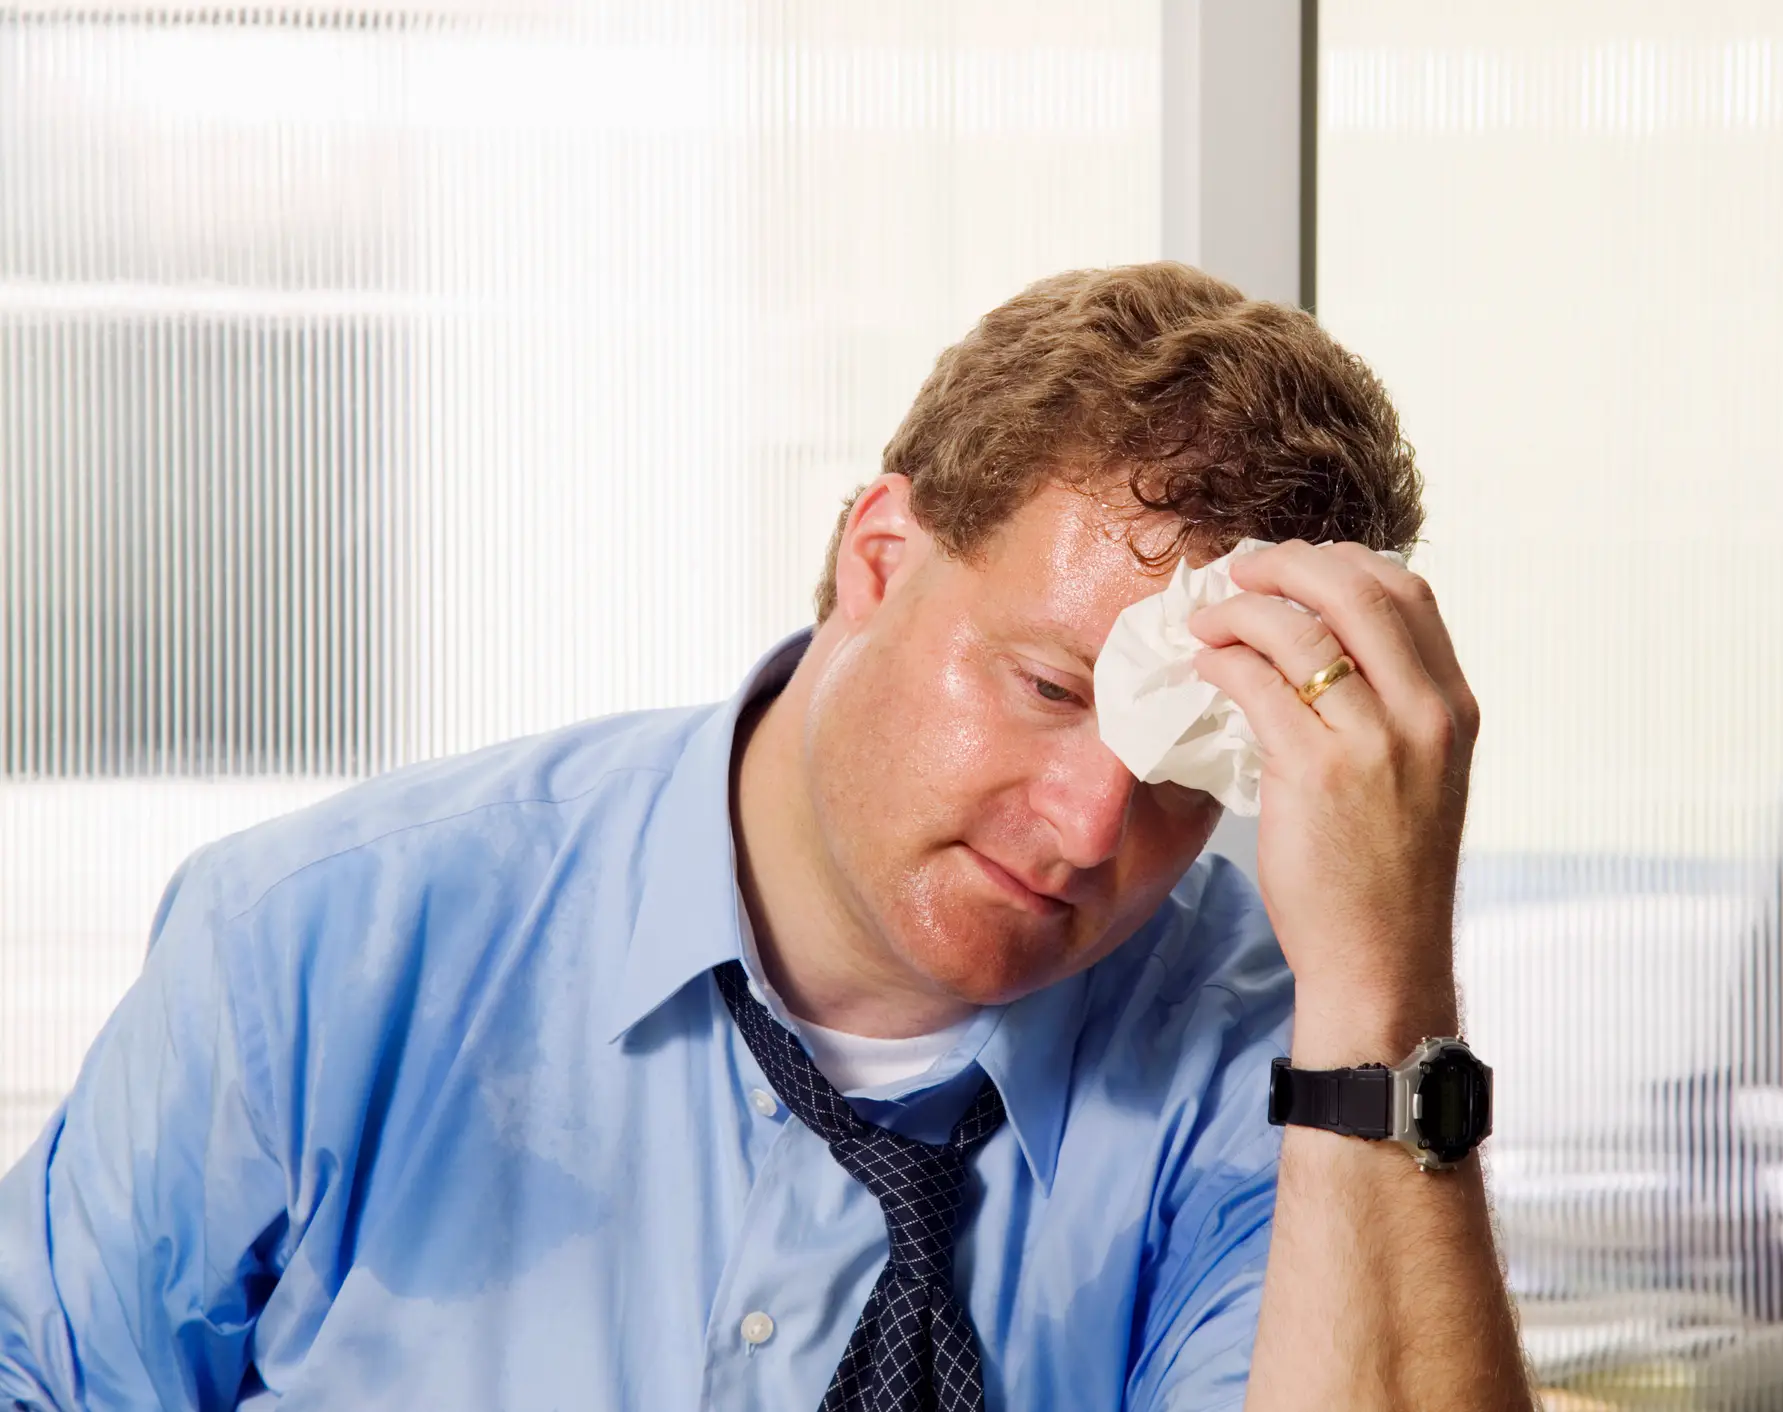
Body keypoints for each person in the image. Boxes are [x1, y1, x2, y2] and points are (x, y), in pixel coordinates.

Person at [0, 263, 1532, 1411]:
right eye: (1049, 685)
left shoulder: (1286, 1065)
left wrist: (1384, 985)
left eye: (1188, 767)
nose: (1087, 826)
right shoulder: (321, 947)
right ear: (877, 558)